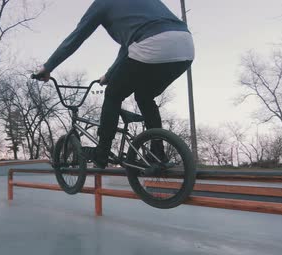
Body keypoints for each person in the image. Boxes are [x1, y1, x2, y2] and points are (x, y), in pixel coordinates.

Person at [36, 0, 195, 168]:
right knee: (144, 96)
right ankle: (157, 152)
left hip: (150, 44)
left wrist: (48, 67)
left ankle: (102, 152)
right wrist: (109, 74)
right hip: (185, 47)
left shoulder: (102, 3)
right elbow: (128, 49)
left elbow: (76, 38)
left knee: (113, 94)